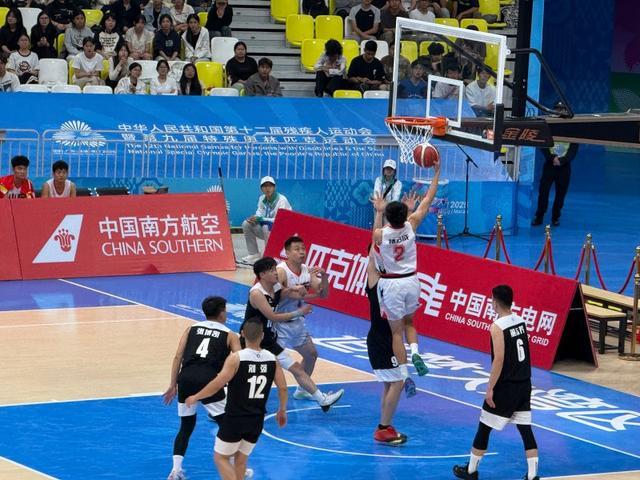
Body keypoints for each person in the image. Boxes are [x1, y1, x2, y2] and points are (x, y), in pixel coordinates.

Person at [371, 155, 441, 396]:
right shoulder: (412, 225)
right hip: (412, 281)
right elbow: (428, 199)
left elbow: (374, 234)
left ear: (388, 216)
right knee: (410, 323)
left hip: (391, 284)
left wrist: (379, 211)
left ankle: (404, 376)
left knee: (395, 332)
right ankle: (416, 353)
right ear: (405, 214)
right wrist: (436, 173)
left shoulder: (381, 234)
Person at [453, 285, 540, 480]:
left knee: (484, 427)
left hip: (506, 386)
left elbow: (498, 360)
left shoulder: (497, 327)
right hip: (524, 383)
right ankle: (533, 475)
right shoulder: (521, 320)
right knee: (525, 429)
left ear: (494, 302)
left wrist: (490, 388)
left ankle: (471, 471)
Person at [185, 316, 287, 480]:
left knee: (220, 458)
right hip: (257, 419)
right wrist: (282, 410)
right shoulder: (272, 359)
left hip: (235, 418)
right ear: (262, 335)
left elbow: (217, 384)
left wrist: (196, 396)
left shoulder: (236, 358)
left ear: (242, 334)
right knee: (241, 459)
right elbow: (282, 387)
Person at [240, 257, 344, 411]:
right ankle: (226, 403)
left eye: (275, 269)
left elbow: (291, 294)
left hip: (268, 340)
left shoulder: (275, 287)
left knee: (296, 368)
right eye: (271, 271)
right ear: (262, 275)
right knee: (244, 374)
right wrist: (299, 312)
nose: (276, 273)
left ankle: (322, 400)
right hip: (251, 340)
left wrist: (304, 291)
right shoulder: (257, 293)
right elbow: (272, 317)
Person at [162, 296, 242, 480]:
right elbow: (240, 361)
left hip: (186, 379)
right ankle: (238, 467)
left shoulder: (191, 328)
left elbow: (178, 356)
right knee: (227, 425)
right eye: (225, 310)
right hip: (209, 381)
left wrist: (173, 384)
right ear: (221, 313)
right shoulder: (230, 335)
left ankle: (175, 470)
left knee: (186, 426)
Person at [274, 236, 329, 400]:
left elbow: (323, 294)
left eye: (303, 249)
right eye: (297, 249)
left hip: (297, 322)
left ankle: (303, 390)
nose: (301, 252)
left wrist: (324, 277)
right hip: (277, 323)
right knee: (269, 362)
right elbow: (273, 296)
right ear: (287, 253)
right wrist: (293, 290)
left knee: (311, 355)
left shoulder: (306, 270)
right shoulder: (281, 271)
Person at [366, 243, 407, 444]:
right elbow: (372, 254)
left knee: (390, 384)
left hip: (388, 340)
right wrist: (379, 221)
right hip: (381, 341)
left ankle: (385, 425)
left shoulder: (393, 280)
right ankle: (383, 428)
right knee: (398, 382)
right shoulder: (375, 280)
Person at [532, 106, 578, 227]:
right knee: (543, 192)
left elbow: (573, 150)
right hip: (550, 165)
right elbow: (543, 145)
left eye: (562, 110)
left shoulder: (573, 129)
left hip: (564, 167)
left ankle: (555, 217)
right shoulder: (548, 127)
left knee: (561, 194)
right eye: (557, 110)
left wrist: (562, 160)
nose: (559, 112)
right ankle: (539, 216)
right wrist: (552, 158)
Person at [240, 176, 292, 264]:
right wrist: (254, 218)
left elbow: (280, 220)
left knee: (266, 226)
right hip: (269, 230)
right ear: (261, 189)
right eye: (265, 186)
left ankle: (269, 255)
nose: (267, 188)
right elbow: (259, 213)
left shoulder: (282, 200)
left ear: (274, 187)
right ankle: (254, 254)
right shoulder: (262, 198)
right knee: (246, 224)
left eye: (270, 186)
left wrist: (261, 219)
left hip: (283, 232)